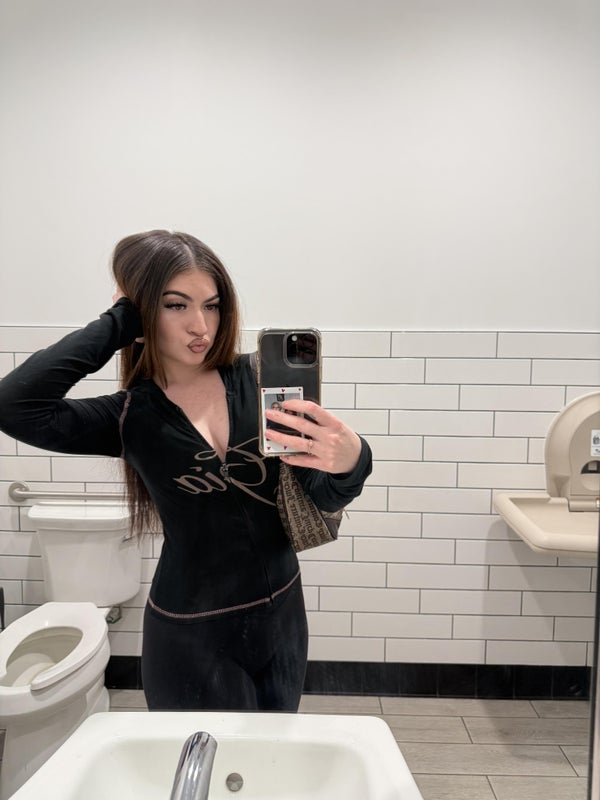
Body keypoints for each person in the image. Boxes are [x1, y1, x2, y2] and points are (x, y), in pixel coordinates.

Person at [0, 230, 372, 712]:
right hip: (191, 634)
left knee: (272, 756)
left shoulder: (260, 381)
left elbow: (321, 495)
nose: (201, 326)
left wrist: (352, 460)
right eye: (176, 305)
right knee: (200, 762)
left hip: (282, 621)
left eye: (212, 306)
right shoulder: (130, 415)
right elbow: (14, 406)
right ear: (142, 311)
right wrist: (119, 322)